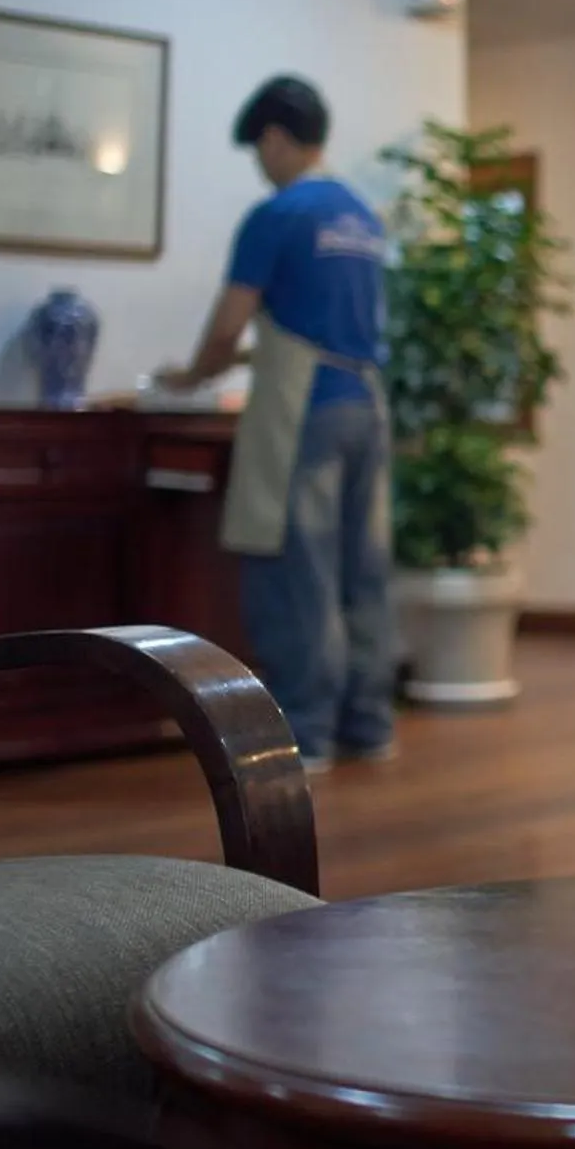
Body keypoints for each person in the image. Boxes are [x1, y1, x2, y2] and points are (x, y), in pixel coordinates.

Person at [158, 76, 393, 773]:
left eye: (260, 150)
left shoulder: (279, 215)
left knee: (299, 570)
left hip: (306, 412)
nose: (261, 166)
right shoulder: (362, 216)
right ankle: (370, 726)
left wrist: (191, 376)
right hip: (365, 404)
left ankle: (308, 734)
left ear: (276, 138)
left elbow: (230, 324)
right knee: (362, 569)